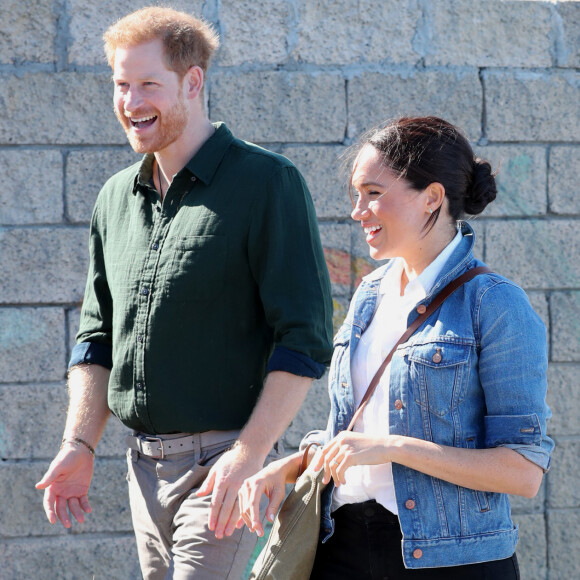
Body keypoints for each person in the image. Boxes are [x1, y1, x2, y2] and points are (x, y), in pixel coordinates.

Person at [35, 6, 333, 579]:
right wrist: (80, 442)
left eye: (149, 84)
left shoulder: (267, 183)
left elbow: (304, 339)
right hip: (142, 469)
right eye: (122, 85)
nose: (131, 101)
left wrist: (248, 457)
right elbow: (97, 338)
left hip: (225, 467)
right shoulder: (114, 199)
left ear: (192, 82)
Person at [238, 116, 553, 579]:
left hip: (449, 560)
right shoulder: (370, 294)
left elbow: (523, 471)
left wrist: (395, 447)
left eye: (373, 193)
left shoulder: (493, 303)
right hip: (341, 545)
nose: (357, 210)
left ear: (432, 197)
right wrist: (285, 468)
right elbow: (358, 434)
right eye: (357, 194)